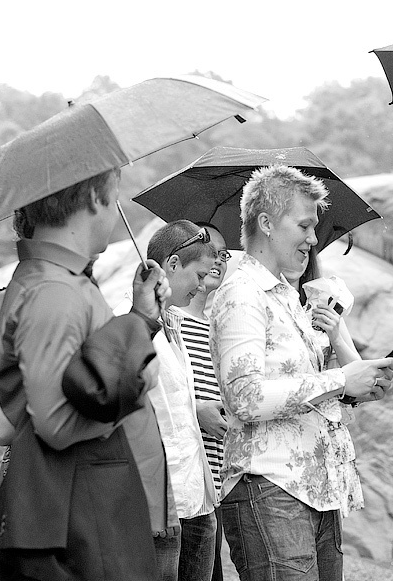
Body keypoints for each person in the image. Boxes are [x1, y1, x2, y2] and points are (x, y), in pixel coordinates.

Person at [0, 168, 176, 581]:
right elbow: (55, 425)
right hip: (80, 518)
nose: (116, 210)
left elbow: (92, 372)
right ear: (93, 199)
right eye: (114, 196)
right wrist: (138, 383)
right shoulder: (54, 291)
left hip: (92, 505)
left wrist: (142, 319)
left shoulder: (67, 282)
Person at [209, 165, 393, 581]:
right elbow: (245, 398)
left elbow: (308, 389)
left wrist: (355, 378)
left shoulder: (289, 298)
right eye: (305, 226)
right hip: (270, 488)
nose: (313, 239)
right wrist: (341, 380)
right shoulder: (242, 295)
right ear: (266, 224)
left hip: (317, 491)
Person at [142, 220, 220, 581]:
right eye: (199, 275)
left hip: (197, 497)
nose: (203, 286)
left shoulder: (173, 322)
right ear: (172, 264)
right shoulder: (131, 324)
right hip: (161, 499)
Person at [174, 221, 230, 581]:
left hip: (214, 486)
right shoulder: (167, 320)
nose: (217, 260)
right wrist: (195, 413)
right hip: (177, 484)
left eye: (223, 254)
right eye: (209, 251)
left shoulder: (221, 329)